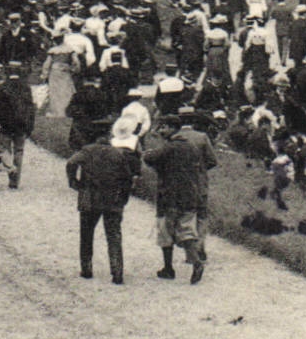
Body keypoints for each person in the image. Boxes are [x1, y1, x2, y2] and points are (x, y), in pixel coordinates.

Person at [65, 124, 142, 284]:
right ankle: (117, 272)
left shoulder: (87, 151)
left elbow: (71, 163)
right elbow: (127, 178)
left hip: (89, 198)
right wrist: (123, 197)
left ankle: (86, 269)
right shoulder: (118, 153)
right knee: (114, 235)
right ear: (108, 135)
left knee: (86, 234)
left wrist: (74, 181)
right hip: (113, 199)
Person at [144, 115, 217, 284]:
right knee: (186, 230)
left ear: (172, 128)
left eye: (164, 127)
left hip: (168, 195)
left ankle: (168, 268)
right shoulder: (192, 147)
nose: (161, 130)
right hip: (189, 195)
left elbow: (149, 158)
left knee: (165, 231)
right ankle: (196, 262)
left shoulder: (169, 147)